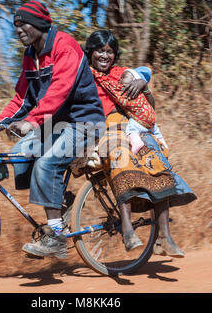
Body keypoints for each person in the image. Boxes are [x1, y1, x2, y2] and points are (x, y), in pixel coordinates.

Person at [0, 1, 105, 259]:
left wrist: (32, 121)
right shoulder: (31, 55)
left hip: (84, 122)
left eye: (24, 24)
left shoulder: (65, 45)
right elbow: (21, 98)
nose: (18, 30)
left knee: (46, 164)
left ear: (40, 24)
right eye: (15, 26)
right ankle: (61, 203)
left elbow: (59, 91)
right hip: (55, 124)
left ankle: (56, 238)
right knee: (21, 153)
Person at [84, 30, 197, 256]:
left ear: (115, 55)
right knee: (119, 156)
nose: (105, 56)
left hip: (130, 126)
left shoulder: (120, 74)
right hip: (102, 128)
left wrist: (141, 80)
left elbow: (146, 83)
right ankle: (127, 229)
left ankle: (164, 237)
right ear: (90, 53)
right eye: (100, 51)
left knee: (156, 161)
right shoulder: (84, 75)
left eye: (110, 52)